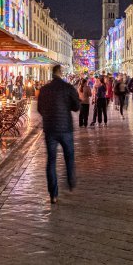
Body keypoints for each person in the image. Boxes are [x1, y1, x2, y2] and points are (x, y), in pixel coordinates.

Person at [36, 64, 80, 204]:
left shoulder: (44, 90)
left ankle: (53, 194)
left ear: (52, 73)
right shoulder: (68, 88)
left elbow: (40, 108)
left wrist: (48, 116)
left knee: (51, 161)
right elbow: (76, 106)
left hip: (50, 129)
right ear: (61, 73)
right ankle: (71, 182)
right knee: (69, 156)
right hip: (65, 128)